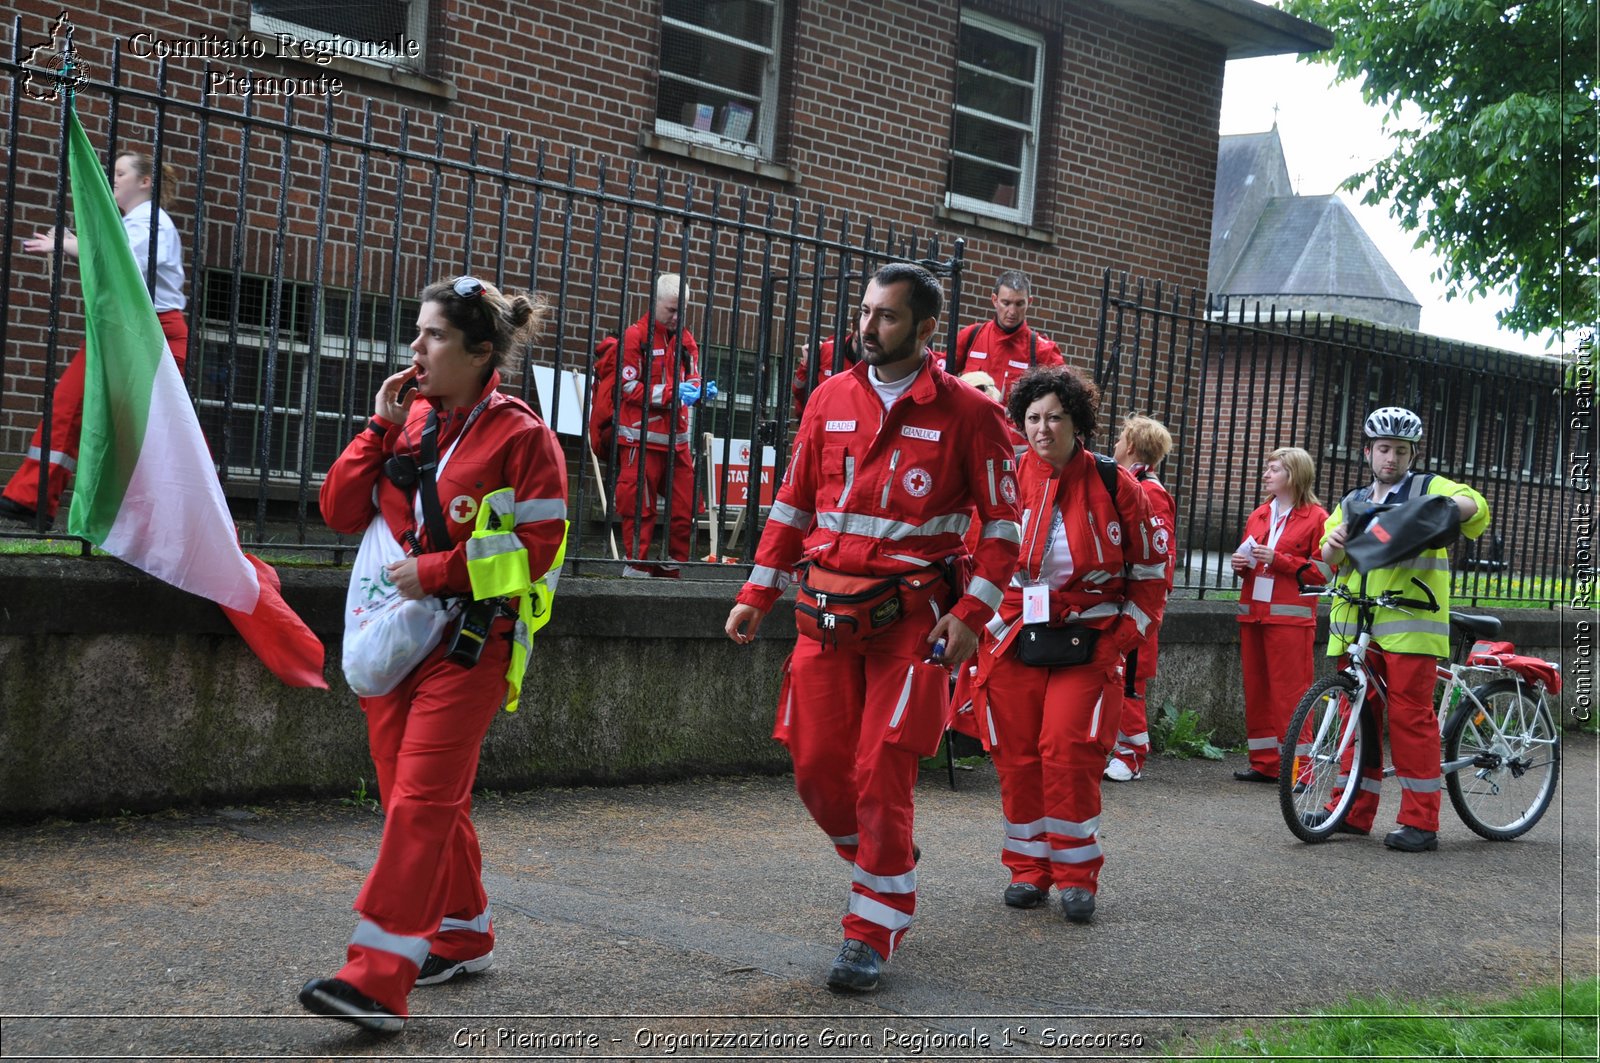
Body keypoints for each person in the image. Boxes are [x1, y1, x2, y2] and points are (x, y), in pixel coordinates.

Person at [724, 262, 1021, 993]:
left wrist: (969, 617)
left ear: (925, 329)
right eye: (864, 311)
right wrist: (757, 592)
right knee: (818, 768)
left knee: (880, 769)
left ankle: (872, 927)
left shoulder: (972, 416)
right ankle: (884, 861)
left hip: (911, 625)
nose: (867, 326)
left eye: (886, 316)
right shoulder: (829, 398)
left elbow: (1004, 532)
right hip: (822, 614)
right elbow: (792, 506)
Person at [302, 276, 568, 1033]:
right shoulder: (411, 418)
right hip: (396, 637)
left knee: (419, 801)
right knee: (415, 797)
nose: (415, 349)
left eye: (435, 337)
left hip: (471, 643)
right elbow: (338, 508)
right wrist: (376, 426)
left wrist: (441, 571)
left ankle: (376, 980)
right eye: (417, 333)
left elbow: (537, 555)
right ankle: (461, 931)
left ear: (483, 351)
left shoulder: (522, 438)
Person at [963, 365, 1167, 923]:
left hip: (1089, 644)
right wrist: (977, 624)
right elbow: (975, 554)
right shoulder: (1004, 479)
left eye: (1055, 417)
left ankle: (1078, 876)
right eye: (1032, 418)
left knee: (1069, 752)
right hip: (1011, 641)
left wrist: (1118, 642)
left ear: (1078, 423)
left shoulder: (1114, 482)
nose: (1042, 428)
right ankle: (1028, 870)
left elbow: (1151, 575)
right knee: (1016, 756)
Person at [1311, 406, 1489, 852]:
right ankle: (1351, 812)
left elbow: (1474, 507)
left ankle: (1420, 822)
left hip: (1410, 624)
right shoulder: (1351, 501)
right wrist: (1333, 545)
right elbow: (1328, 559)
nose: (1391, 458)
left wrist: (1438, 509)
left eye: (1401, 451)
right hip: (1357, 626)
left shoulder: (1428, 487)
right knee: (1358, 720)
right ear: (1368, 451)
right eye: (1384, 449)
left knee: (1411, 719)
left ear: (1413, 454)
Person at [0, 151, 189, 530]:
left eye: (121, 173)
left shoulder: (153, 222)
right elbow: (111, 252)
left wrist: (68, 244)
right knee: (69, 406)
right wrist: (73, 240)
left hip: (153, 333)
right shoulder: (134, 223)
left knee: (149, 433)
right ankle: (31, 498)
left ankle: (166, 522)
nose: (113, 179)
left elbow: (119, 262)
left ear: (145, 182)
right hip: (124, 328)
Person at [1230, 447, 1328, 783]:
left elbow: (1323, 573)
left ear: (1294, 475)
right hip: (1254, 614)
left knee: (1292, 695)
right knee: (1257, 692)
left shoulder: (1317, 517)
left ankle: (1302, 773)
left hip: (1290, 619)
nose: (1266, 474)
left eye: (1274, 469)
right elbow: (1251, 561)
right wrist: (1241, 566)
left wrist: (1278, 559)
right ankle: (1265, 763)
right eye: (1267, 468)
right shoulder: (1259, 515)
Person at [611, 273, 715, 578]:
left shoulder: (685, 339)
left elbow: (692, 374)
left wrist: (697, 390)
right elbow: (627, 388)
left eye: (681, 310)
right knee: (639, 510)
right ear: (655, 304)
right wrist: (673, 393)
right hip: (640, 440)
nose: (676, 317)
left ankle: (672, 567)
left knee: (686, 509)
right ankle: (637, 569)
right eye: (671, 310)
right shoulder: (635, 337)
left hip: (676, 441)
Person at [1104, 415, 1176, 782]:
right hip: (1126, 599)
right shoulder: (1135, 485)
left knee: (1130, 678)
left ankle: (1132, 754)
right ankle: (1120, 747)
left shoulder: (1149, 492)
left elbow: (1157, 554)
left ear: (1131, 445)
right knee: (1119, 673)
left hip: (1138, 605)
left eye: (1120, 438)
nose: (1114, 444)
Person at [943, 270, 1064, 402]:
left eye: (1019, 304)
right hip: (969, 420)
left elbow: (1063, 397)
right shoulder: (972, 336)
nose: (1012, 311)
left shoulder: (1042, 350)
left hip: (1010, 422)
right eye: (1006, 303)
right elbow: (941, 374)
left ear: (1029, 302)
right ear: (995, 300)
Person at [792, 331, 861, 417]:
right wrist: (806, 365)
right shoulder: (829, 349)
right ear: (852, 328)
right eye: (858, 341)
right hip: (820, 417)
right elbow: (798, 390)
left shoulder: (877, 355)